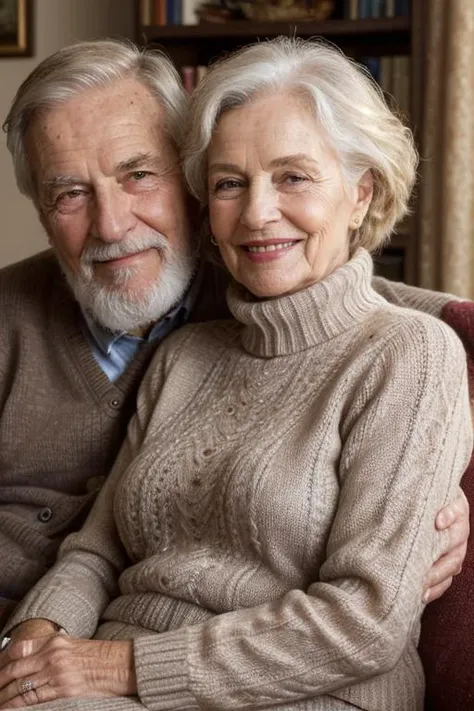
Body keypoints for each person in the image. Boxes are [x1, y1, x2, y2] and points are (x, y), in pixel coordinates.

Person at [0, 37, 471, 711]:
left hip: (301, 691)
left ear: (361, 192)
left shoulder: (409, 352)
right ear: (206, 202)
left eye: (294, 177)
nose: (256, 212)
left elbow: (366, 619)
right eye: (229, 183)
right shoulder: (187, 354)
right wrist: (32, 658)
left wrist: (111, 666)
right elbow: (95, 552)